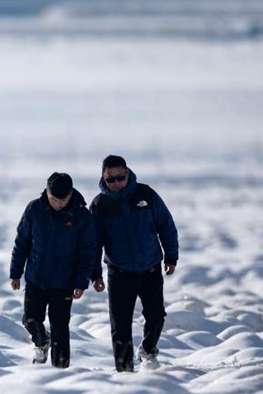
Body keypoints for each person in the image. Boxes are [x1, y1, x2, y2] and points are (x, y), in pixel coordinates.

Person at [90, 155, 178, 372]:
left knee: (156, 316)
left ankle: (148, 350)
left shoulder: (145, 194)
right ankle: (124, 373)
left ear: (128, 173)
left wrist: (171, 256)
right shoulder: (100, 205)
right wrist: (95, 274)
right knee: (120, 327)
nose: (117, 183)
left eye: (120, 177)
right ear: (103, 178)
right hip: (119, 273)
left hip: (150, 269)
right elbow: (92, 244)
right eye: (111, 180)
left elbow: (166, 225)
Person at [10, 172, 97, 368]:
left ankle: (61, 370)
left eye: (62, 199)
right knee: (30, 319)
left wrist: (81, 281)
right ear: (46, 192)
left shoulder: (81, 215)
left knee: (60, 328)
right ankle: (41, 342)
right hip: (36, 279)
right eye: (53, 199)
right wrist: (15, 272)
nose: (57, 203)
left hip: (64, 282)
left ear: (70, 195)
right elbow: (22, 242)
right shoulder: (34, 209)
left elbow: (88, 251)